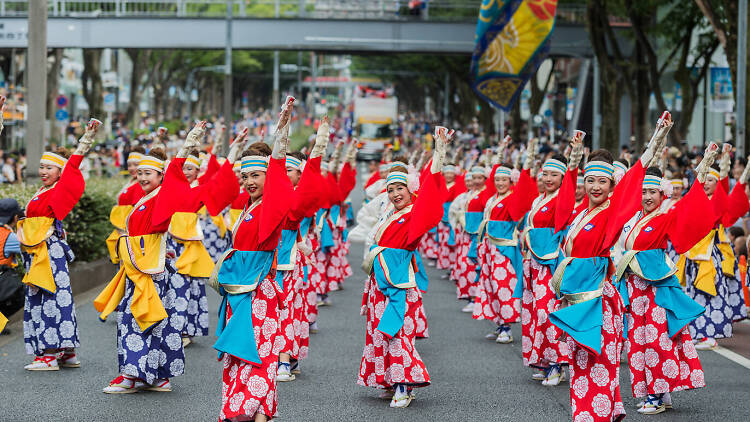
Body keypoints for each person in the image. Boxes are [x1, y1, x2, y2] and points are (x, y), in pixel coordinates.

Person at [94, 121, 238, 393]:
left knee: (136, 319)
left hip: (148, 269)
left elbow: (175, 174)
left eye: (149, 173)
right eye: (140, 172)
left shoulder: (162, 196)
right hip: (143, 266)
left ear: (162, 177)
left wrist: (190, 141)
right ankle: (157, 375)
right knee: (156, 320)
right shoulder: (146, 197)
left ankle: (132, 376)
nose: (142, 177)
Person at [548, 115, 671, 421]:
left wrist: (656, 139)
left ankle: (596, 415)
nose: (595, 186)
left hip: (597, 302)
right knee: (582, 365)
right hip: (576, 298)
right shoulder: (580, 213)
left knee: (598, 364)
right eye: (590, 180)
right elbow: (563, 205)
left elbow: (631, 185)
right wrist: (575, 158)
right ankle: (603, 412)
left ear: (612, 185)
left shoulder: (610, 214)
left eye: (602, 181)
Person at [613, 145, 719, 414]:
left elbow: (692, 203)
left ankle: (657, 395)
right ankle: (657, 392)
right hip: (634, 288)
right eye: (643, 192)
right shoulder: (633, 218)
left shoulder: (666, 215)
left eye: (652, 192)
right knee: (638, 342)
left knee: (658, 341)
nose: (647, 197)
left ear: (662, 194)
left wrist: (704, 165)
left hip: (655, 288)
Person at [209, 101, 294, 422]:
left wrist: (281, 133)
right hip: (238, 290)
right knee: (241, 352)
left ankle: (250, 412)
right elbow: (216, 194)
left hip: (259, 289)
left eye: (256, 175)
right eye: (245, 177)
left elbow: (279, 184)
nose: (249, 182)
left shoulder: (270, 207)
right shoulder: (247, 207)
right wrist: (231, 152)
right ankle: (251, 413)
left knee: (258, 351)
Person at [358, 126, 450, 408]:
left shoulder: (415, 214)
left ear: (411, 191)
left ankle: (405, 384)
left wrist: (440, 151)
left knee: (396, 333)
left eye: (401, 188)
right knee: (379, 332)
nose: (396, 193)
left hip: (398, 283)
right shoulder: (390, 213)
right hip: (380, 281)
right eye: (391, 189)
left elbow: (433, 195)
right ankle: (388, 380)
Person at [18, 118, 100, 371]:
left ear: (60, 173)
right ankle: (66, 352)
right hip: (41, 251)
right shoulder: (43, 190)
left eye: (49, 169)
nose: (43, 172)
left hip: (47, 252)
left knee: (49, 299)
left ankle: (49, 354)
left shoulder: (58, 190)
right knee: (56, 297)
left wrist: (85, 140)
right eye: (41, 167)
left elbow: (74, 165)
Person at [676, 145, 750, 350]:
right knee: (693, 293)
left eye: (712, 180)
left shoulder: (718, 201)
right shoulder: (695, 199)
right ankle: (696, 332)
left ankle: (709, 334)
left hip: (709, 255)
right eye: (705, 179)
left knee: (709, 294)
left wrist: (724, 160)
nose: (707, 183)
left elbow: (726, 186)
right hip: (694, 253)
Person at [519, 144, 578, 386]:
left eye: (555, 175)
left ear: (564, 178)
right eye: (546, 174)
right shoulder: (538, 199)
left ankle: (557, 363)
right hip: (533, 262)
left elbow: (568, 198)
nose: (549, 179)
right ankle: (543, 361)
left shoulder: (562, 200)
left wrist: (574, 156)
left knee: (547, 311)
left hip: (550, 262)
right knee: (534, 312)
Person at [275, 122, 329, 382]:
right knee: (271, 312)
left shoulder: (298, 199)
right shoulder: (270, 196)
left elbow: (311, 191)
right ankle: (281, 356)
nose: (284, 175)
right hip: (267, 263)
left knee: (286, 311)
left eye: (289, 171)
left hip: (290, 261)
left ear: (299, 175)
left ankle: (285, 360)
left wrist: (321, 143)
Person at [474, 137, 537, 343]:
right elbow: (493, 174)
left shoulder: (512, 197)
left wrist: (527, 158)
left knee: (505, 287)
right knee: (491, 286)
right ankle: (499, 322)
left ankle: (507, 328)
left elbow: (523, 193)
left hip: (504, 250)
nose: (499, 183)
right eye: (497, 180)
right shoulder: (492, 198)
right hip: (489, 248)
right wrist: (499, 153)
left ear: (511, 182)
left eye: (504, 180)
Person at [105, 146, 145, 264]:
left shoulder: (140, 185)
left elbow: (136, 211)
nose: (132, 168)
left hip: (129, 231)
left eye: (136, 164)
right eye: (130, 165)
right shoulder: (132, 182)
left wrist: (126, 230)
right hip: (122, 229)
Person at [0, 198, 24, 335]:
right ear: (16, 217)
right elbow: (26, 251)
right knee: (21, 294)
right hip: (1, 277)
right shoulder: (10, 237)